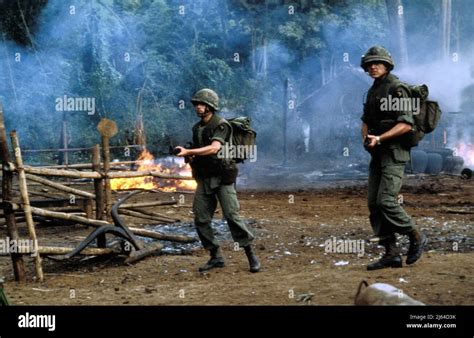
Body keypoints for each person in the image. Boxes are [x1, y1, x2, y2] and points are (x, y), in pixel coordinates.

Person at [175, 88, 260, 273]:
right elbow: (200, 151)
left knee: (231, 216)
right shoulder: (196, 128)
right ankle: (215, 256)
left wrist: (189, 152)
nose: (198, 107)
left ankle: (250, 253)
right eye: (197, 104)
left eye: (202, 104)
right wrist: (189, 155)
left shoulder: (221, 125)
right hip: (204, 178)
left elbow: (214, 148)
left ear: (210, 107)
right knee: (201, 218)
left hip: (222, 178)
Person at [360, 46, 427, 270]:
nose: (373, 67)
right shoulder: (372, 91)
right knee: (374, 204)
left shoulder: (397, 88)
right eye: (369, 64)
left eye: (377, 63)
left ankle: (416, 236)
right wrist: (366, 140)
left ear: (387, 65)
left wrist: (379, 138)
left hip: (394, 154)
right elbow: (366, 121)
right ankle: (391, 253)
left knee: (386, 200)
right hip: (377, 154)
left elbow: (405, 124)